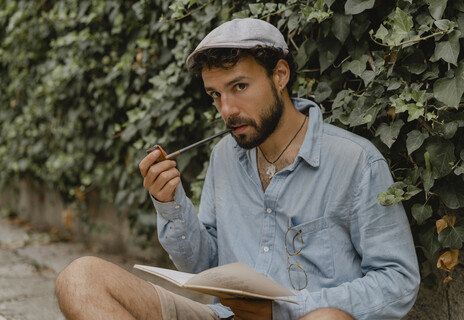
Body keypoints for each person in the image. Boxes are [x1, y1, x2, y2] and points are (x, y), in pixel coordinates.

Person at [55, 18, 420, 319]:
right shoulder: (224, 156)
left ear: (280, 75)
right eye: (215, 94)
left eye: (239, 86)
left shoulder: (355, 160)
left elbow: (398, 281)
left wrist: (283, 310)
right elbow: (206, 266)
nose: (226, 109)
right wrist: (169, 203)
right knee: (80, 277)